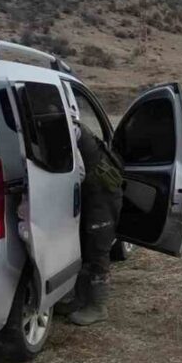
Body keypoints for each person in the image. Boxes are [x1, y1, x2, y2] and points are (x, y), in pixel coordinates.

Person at [57, 116, 125, 326]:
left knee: (97, 250)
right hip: (92, 194)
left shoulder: (71, 132)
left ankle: (98, 306)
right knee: (85, 246)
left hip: (103, 197)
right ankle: (80, 299)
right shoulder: (71, 128)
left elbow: (77, 172)